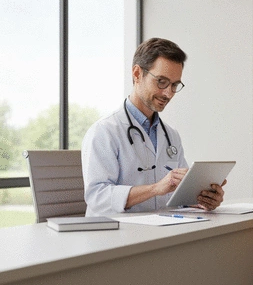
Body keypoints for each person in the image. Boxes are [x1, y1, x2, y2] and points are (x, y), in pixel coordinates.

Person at [82, 37, 226, 216]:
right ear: (137, 74)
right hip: (116, 234)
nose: (168, 93)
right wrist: (156, 188)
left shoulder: (171, 135)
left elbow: (180, 195)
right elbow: (97, 197)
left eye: (174, 85)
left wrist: (203, 199)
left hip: (158, 231)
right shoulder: (104, 131)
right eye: (161, 82)